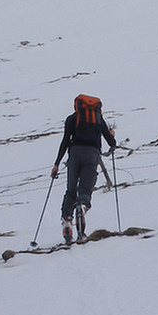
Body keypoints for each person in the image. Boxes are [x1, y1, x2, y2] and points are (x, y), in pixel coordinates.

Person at [51, 94, 115, 243]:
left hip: (74, 154)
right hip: (92, 154)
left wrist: (56, 164)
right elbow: (111, 142)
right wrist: (112, 135)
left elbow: (65, 141)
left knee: (71, 189)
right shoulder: (99, 120)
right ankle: (82, 207)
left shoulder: (72, 119)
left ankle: (67, 222)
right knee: (85, 189)